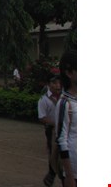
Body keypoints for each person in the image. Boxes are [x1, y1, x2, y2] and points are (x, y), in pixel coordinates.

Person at [55, 50, 77, 187]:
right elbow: (61, 140)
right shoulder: (65, 103)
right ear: (69, 73)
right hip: (75, 172)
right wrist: (69, 175)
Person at [38, 70, 62, 187]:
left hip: (65, 129)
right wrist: (56, 124)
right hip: (51, 130)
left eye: (59, 83)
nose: (58, 85)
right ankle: (52, 173)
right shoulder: (44, 99)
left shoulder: (64, 96)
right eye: (54, 83)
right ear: (48, 84)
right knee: (53, 151)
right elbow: (42, 117)